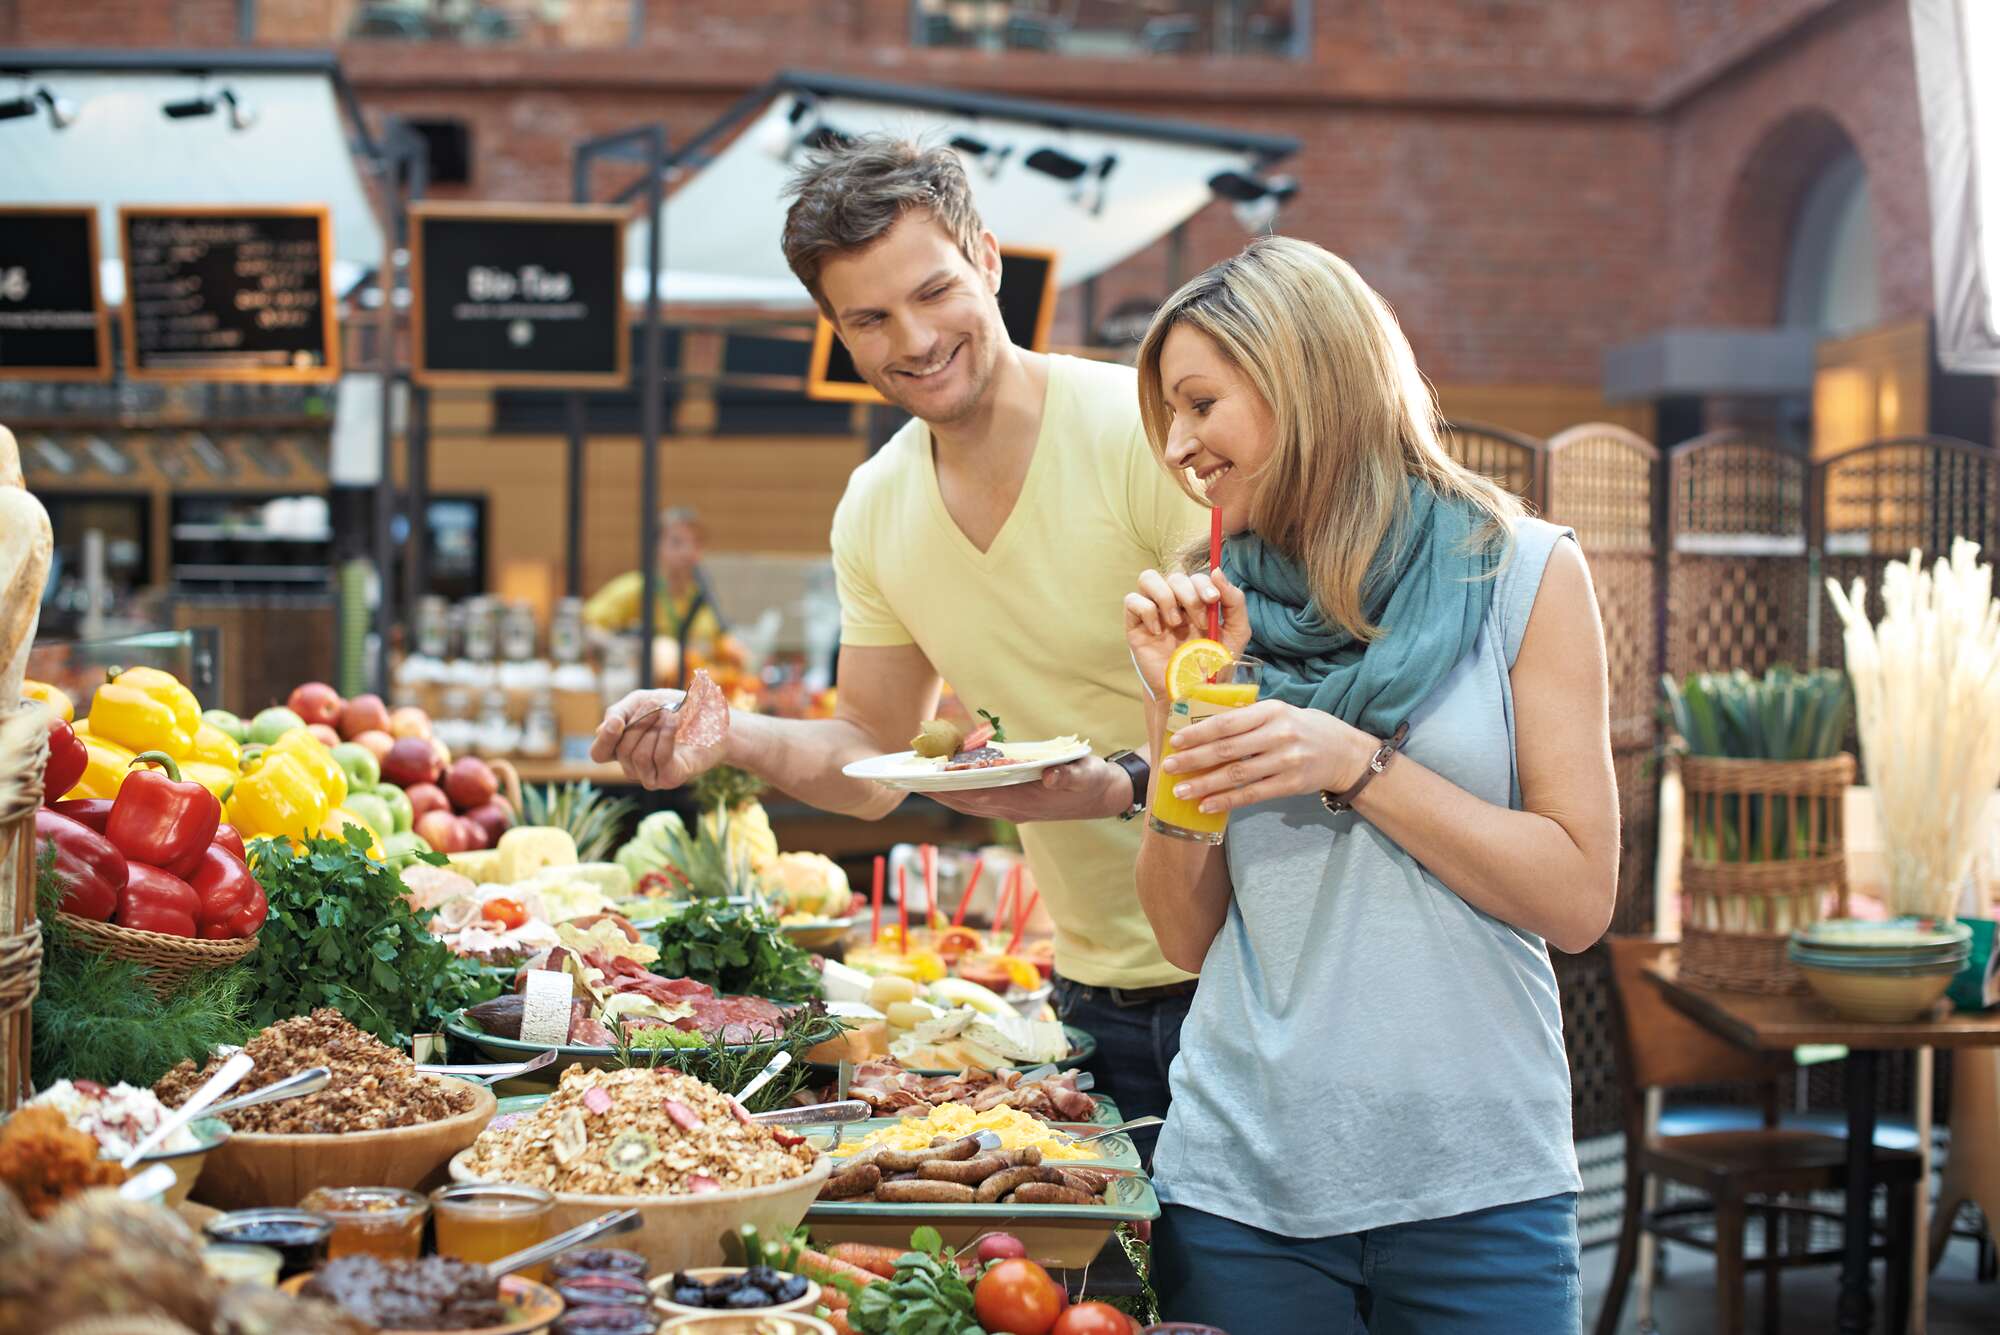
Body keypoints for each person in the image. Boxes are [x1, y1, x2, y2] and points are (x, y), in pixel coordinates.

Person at [590, 138, 1207, 1149]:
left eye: (933, 292)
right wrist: (728, 731)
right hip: (1091, 989)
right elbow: (871, 758)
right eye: (869, 319)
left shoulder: (1143, 434)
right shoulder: (875, 506)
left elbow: (1265, 686)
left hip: (1247, 969)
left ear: (988, 261)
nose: (914, 341)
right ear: (834, 330)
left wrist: (1125, 781)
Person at [1122, 237, 1619, 1332]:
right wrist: (1179, 711)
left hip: (1482, 1184)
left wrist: (1356, 764)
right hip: (1241, 1185)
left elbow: (1578, 898)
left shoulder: (1522, 572)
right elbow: (1182, 935)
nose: (1178, 446)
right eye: (1169, 415)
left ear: (1305, 380)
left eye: (1199, 404)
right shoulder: (1211, 607)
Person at [582, 506, 728, 685]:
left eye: (696, 544)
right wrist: (628, 649)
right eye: (677, 542)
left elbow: (719, 644)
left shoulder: (703, 597)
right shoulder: (637, 587)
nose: (687, 552)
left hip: (692, 687)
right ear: (657, 547)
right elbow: (585, 626)